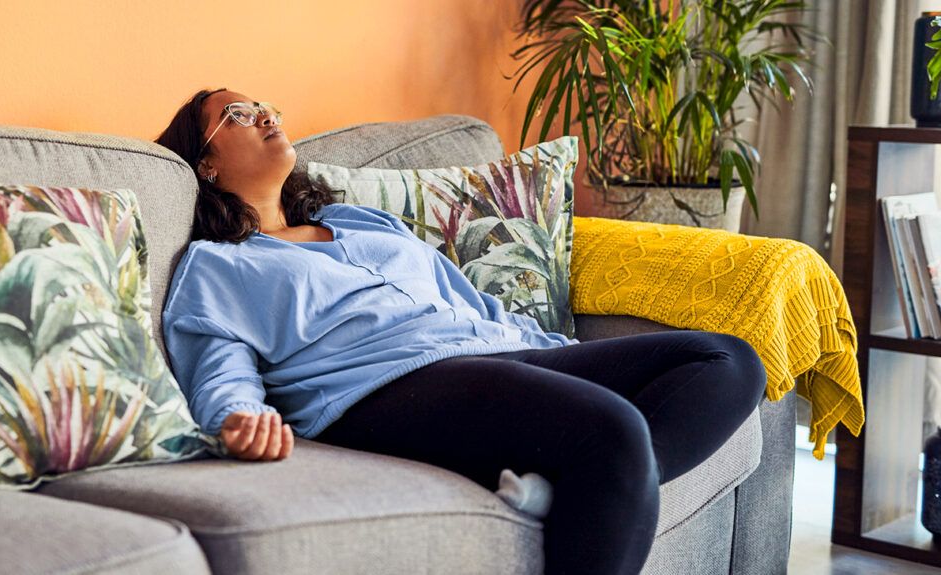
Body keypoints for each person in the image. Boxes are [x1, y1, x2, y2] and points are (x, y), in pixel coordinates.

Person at [154, 87, 768, 575]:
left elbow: (471, 303)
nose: (263, 114)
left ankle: (576, 488)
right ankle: (595, 479)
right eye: (237, 114)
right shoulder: (220, 264)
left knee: (728, 360)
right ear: (205, 163)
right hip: (387, 387)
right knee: (614, 432)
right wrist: (236, 418)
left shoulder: (358, 222)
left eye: (265, 105)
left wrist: (563, 357)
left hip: (490, 352)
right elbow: (219, 367)